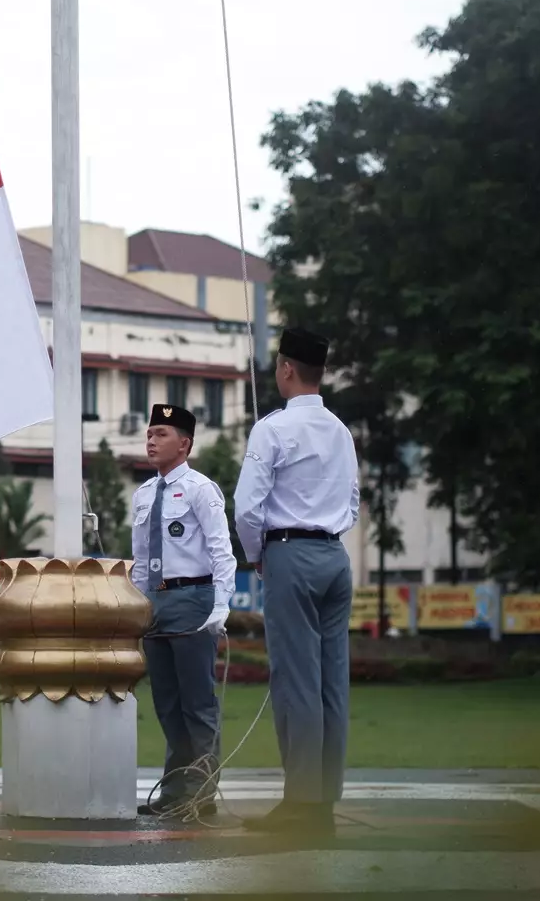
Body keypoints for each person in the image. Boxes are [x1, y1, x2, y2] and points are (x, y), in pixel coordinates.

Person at [233, 329, 358, 837]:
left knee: (296, 685)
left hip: (291, 554)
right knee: (332, 687)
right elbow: (351, 503)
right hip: (334, 555)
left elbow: (246, 508)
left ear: (286, 369)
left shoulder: (273, 429)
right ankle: (323, 803)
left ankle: (301, 804)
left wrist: (258, 556)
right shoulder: (341, 430)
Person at [132, 404, 235, 819]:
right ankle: (174, 792)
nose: (151, 441)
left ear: (185, 443)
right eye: (150, 433)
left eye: (160, 433)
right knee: (168, 705)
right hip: (155, 604)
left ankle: (201, 792)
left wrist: (222, 601)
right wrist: (135, 609)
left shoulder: (199, 489)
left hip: (192, 599)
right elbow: (139, 561)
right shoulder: (142, 494)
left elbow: (221, 550)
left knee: (197, 705)